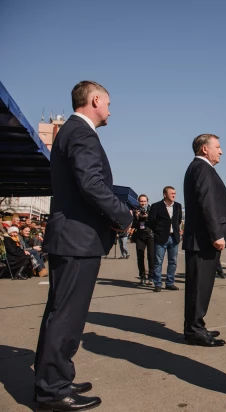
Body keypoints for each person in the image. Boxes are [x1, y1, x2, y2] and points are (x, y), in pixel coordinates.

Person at [34, 81, 132, 411]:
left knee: (61, 314)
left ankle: (56, 377)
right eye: (107, 103)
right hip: (77, 238)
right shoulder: (82, 132)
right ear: (94, 100)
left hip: (72, 237)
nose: (109, 109)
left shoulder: (72, 132)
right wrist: (124, 215)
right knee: (66, 317)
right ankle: (53, 391)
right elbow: (91, 184)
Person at [183, 133, 226, 347]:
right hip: (204, 239)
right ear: (205, 149)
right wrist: (216, 234)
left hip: (203, 239)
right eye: (217, 146)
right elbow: (207, 203)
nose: (221, 151)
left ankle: (196, 325)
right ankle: (195, 330)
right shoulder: (201, 168)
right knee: (199, 287)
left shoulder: (201, 168)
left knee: (201, 287)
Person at [148, 186, 183, 292]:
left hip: (174, 238)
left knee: (173, 261)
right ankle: (157, 283)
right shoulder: (156, 206)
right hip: (161, 238)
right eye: (171, 193)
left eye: (175, 193)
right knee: (158, 261)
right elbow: (151, 222)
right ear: (165, 195)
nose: (174, 195)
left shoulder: (178, 206)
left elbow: (179, 220)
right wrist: (158, 231)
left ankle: (170, 282)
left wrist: (177, 231)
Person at [132, 194, 155, 285]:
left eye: (144, 201)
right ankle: (142, 276)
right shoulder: (135, 211)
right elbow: (134, 224)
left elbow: (154, 222)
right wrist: (137, 217)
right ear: (138, 201)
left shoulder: (151, 210)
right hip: (140, 235)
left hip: (150, 234)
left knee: (151, 256)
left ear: (147, 202)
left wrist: (148, 217)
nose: (143, 203)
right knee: (140, 256)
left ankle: (151, 277)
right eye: (141, 201)